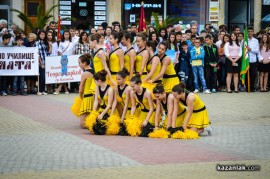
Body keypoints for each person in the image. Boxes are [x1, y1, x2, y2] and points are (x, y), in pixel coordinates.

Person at [54, 30, 74, 95]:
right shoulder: (61, 43)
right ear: (63, 35)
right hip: (63, 60)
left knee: (67, 74)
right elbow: (59, 52)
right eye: (65, 34)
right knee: (64, 73)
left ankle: (62, 88)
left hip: (70, 60)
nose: (67, 35)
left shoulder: (72, 42)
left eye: (68, 34)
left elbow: (74, 52)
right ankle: (62, 88)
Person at [78, 54, 94, 128]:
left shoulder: (84, 74)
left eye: (79, 63)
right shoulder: (94, 71)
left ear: (84, 63)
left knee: (82, 125)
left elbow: (81, 88)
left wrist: (80, 97)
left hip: (86, 98)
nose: (79, 65)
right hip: (94, 98)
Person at [34, 30, 51, 95]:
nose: (42, 36)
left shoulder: (46, 43)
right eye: (41, 34)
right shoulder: (37, 43)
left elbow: (49, 53)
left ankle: (43, 90)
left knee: (44, 77)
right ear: (39, 35)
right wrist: (41, 63)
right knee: (42, 76)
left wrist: (50, 46)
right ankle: (40, 90)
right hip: (40, 62)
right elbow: (37, 54)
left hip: (46, 61)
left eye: (44, 34)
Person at [247, 27, 260, 92]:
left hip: (253, 60)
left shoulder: (256, 40)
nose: (250, 33)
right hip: (246, 60)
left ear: (253, 32)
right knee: (247, 74)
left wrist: (250, 49)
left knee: (253, 74)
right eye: (249, 31)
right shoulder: (245, 40)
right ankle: (247, 87)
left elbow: (257, 51)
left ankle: (252, 87)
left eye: (251, 31)